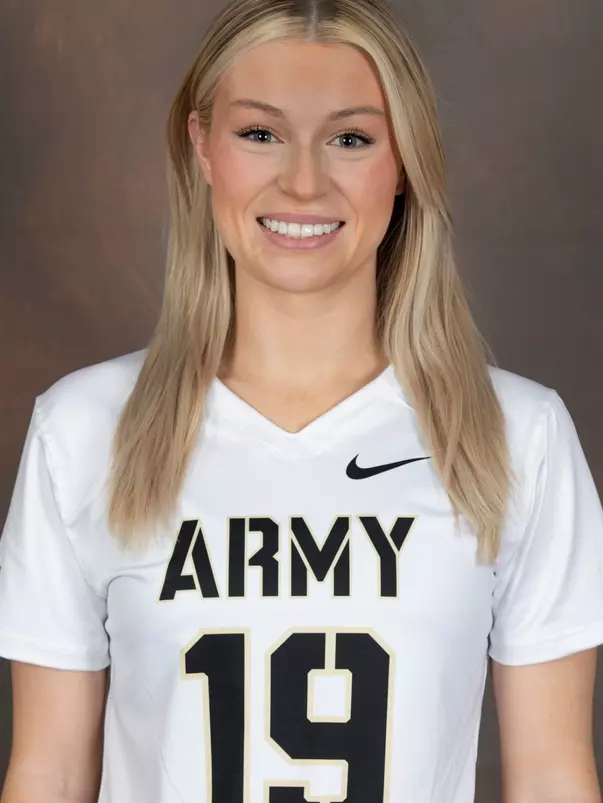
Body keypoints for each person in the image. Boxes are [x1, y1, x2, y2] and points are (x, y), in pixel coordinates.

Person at [2, 0, 603, 801]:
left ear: (406, 162)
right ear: (202, 147)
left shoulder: (514, 437)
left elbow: (551, 776)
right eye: (260, 133)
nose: (304, 180)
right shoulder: (83, 430)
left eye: (350, 138)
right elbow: (49, 770)